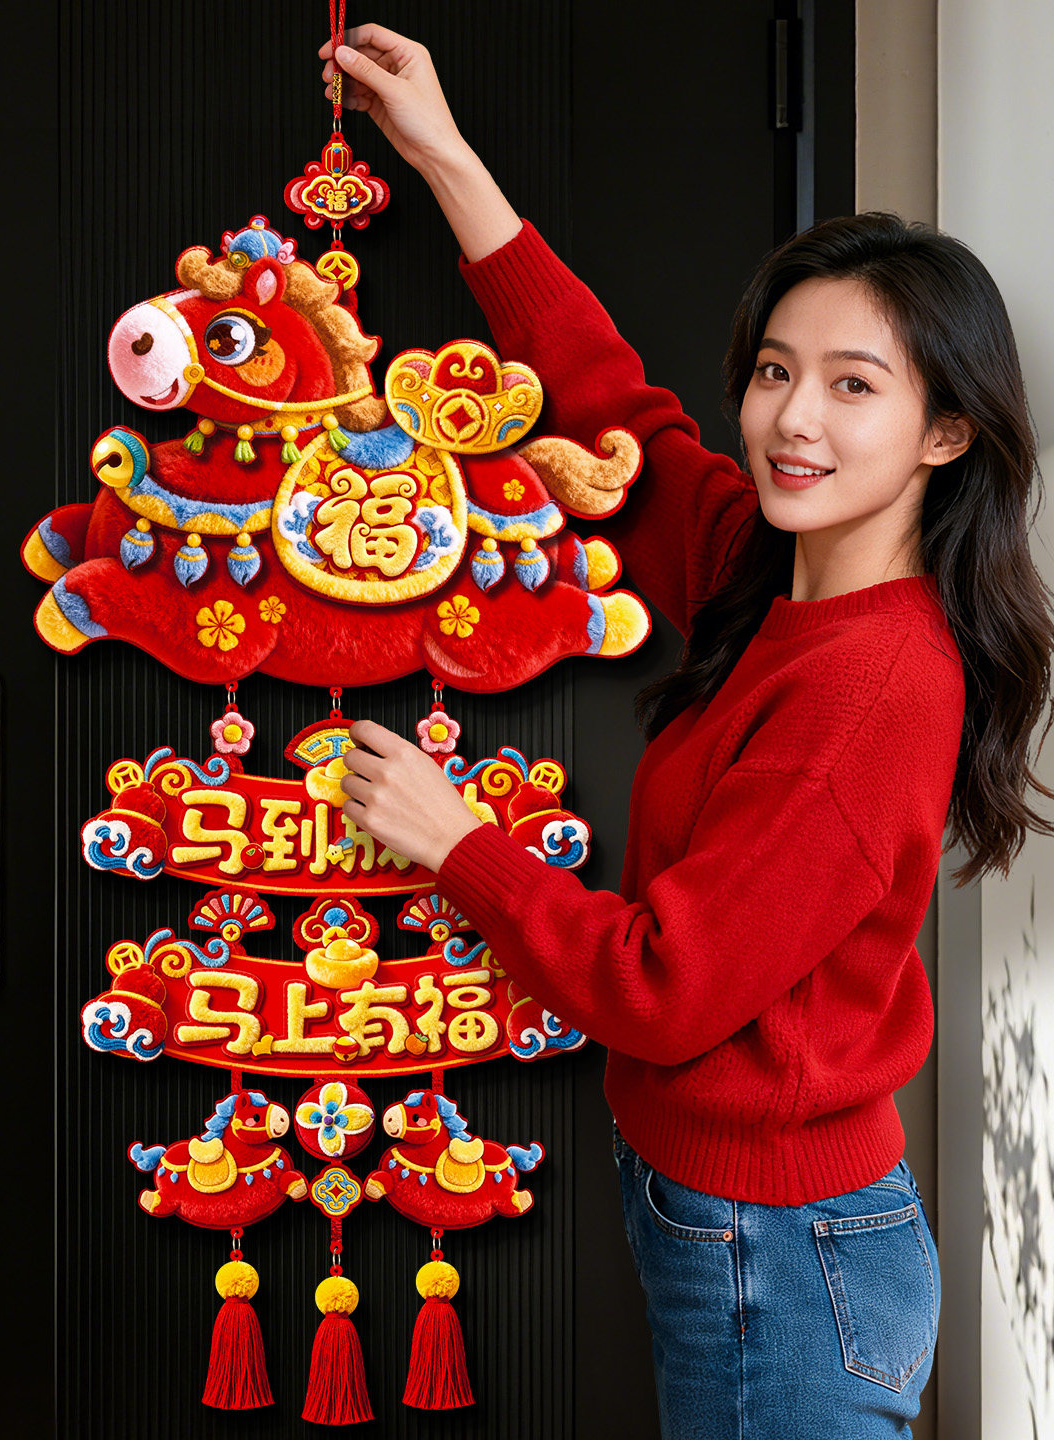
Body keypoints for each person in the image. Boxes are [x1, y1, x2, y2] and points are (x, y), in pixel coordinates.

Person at [320, 23, 1054, 1440]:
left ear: (947, 433)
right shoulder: (763, 579)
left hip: (787, 1259)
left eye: (855, 385)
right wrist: (446, 157)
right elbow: (617, 417)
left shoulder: (873, 690)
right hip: (731, 1220)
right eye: (776, 370)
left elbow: (665, 986)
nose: (793, 419)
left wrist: (457, 845)